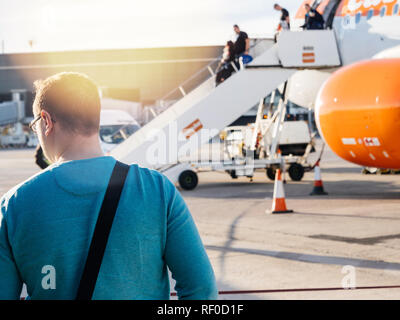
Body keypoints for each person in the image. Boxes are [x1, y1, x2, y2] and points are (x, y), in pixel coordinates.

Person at [0, 72, 218, 300]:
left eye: (35, 126)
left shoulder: (15, 205)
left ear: (46, 121)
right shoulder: (157, 190)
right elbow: (202, 289)